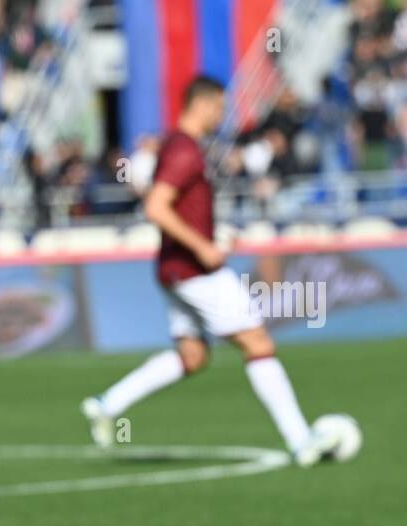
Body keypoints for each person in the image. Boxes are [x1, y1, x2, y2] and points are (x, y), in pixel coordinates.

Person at [82, 77, 335, 467]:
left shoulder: (176, 146)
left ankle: (106, 404)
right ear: (201, 104)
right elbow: (156, 207)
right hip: (195, 270)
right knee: (258, 343)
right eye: (220, 106)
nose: (222, 114)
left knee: (193, 355)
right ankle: (301, 442)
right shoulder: (185, 152)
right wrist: (202, 245)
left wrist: (208, 235)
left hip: (174, 269)